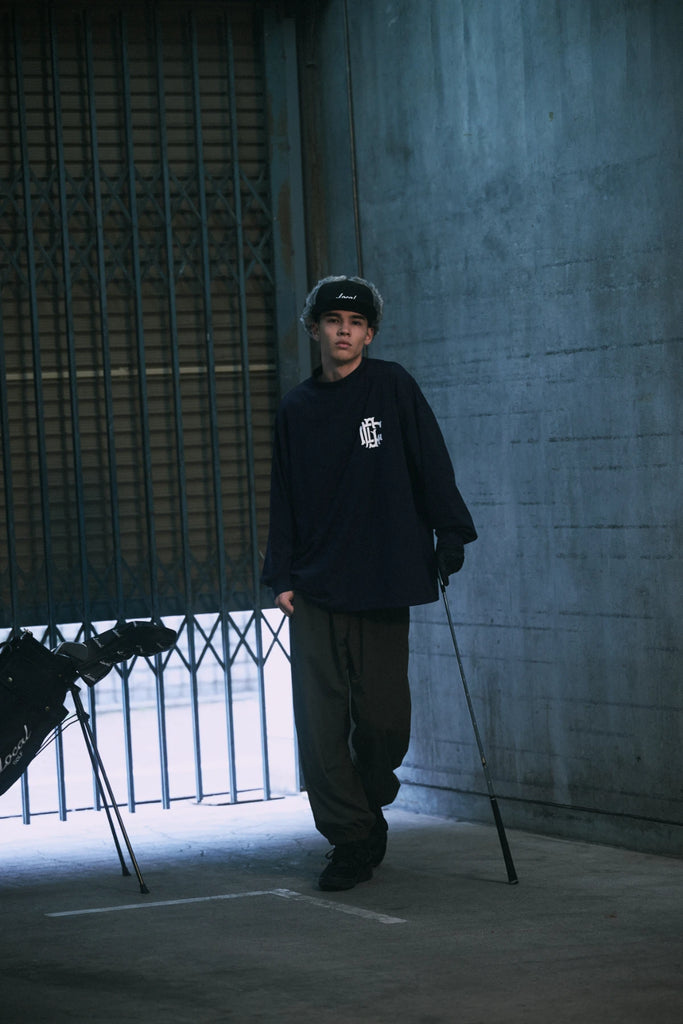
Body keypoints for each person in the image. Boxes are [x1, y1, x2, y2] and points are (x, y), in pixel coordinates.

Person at [261, 275, 477, 891]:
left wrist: (450, 532)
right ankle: (352, 838)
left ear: (370, 334)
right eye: (333, 320)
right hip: (316, 587)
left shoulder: (392, 386)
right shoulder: (297, 409)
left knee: (383, 722)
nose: (344, 331)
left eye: (355, 323)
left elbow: (430, 460)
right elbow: (284, 498)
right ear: (314, 329)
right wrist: (280, 575)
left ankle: (366, 794)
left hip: (383, 578)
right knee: (320, 724)